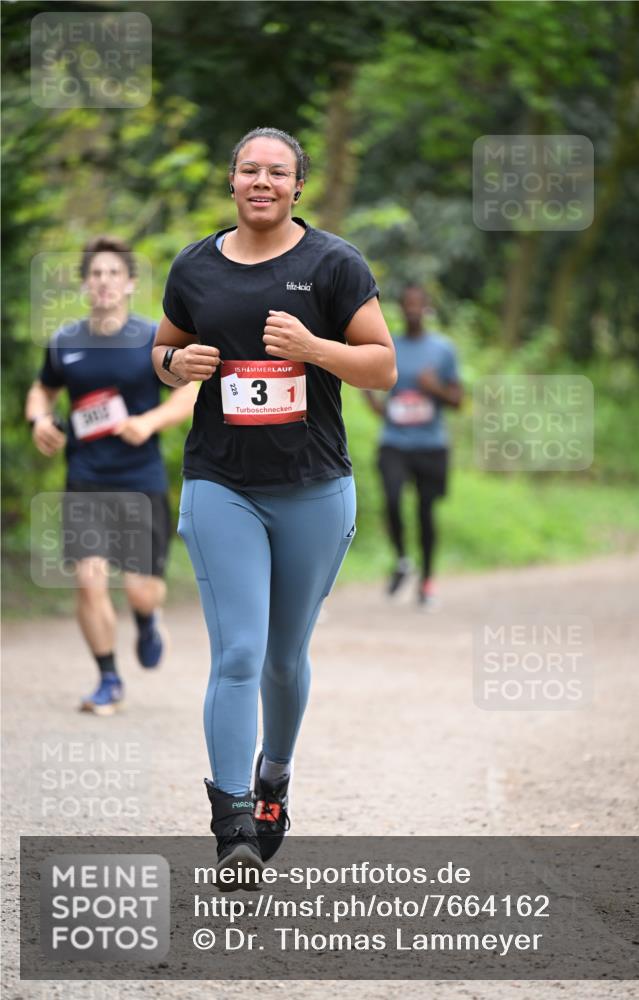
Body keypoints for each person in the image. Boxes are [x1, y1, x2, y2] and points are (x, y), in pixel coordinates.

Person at [152, 126, 396, 887]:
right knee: (237, 654)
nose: (262, 181)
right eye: (249, 170)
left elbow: (382, 367)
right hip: (221, 481)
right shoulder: (194, 265)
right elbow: (162, 354)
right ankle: (232, 824)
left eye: (278, 172)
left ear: (298, 186)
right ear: (231, 182)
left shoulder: (333, 264)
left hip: (313, 488)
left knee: (284, 660)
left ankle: (273, 782)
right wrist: (174, 364)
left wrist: (315, 348)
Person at [26, 235, 198, 715]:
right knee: (89, 580)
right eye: (95, 274)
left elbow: (188, 395)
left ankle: (146, 619)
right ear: (86, 283)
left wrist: (148, 422)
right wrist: (40, 420)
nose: (103, 282)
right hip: (85, 476)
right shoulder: (65, 341)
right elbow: (42, 392)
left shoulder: (151, 341)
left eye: (113, 274)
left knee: (142, 588)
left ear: (129, 283)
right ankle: (108, 678)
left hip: (139, 479)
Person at [365, 284, 462, 610]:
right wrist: (370, 396)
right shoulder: (389, 345)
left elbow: (458, 400)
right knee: (391, 500)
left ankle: (428, 580)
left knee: (425, 512)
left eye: (418, 305)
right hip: (394, 441)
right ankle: (403, 559)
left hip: (431, 444)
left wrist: (434, 388)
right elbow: (379, 392)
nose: (413, 310)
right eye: (407, 304)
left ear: (428, 308)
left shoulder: (443, 349)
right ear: (401, 308)